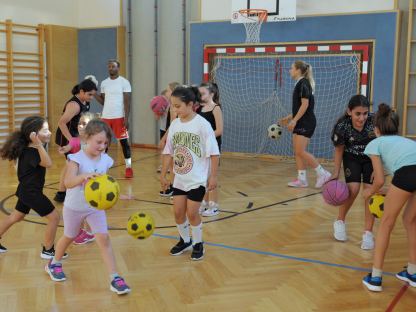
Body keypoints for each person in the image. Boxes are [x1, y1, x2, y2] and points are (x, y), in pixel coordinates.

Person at [45, 119, 130, 295]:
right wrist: (83, 177)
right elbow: (68, 182)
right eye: (99, 142)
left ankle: (115, 277)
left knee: (104, 239)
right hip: (74, 207)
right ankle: (54, 263)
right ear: (86, 138)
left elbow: (106, 185)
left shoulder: (106, 160)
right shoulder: (75, 159)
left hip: (94, 208)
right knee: (69, 236)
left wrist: (117, 195)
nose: (102, 146)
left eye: (106, 143)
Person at [160, 85, 220, 260]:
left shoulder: (203, 125)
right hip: (180, 178)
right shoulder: (175, 125)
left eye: (178, 106)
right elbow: (168, 151)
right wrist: (163, 175)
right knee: (178, 213)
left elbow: (214, 153)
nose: (174, 109)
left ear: (191, 104)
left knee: (192, 213)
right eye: (172, 105)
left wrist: (213, 176)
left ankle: (198, 243)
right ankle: (185, 240)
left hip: (198, 179)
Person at [362, 103, 416, 292]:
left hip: (407, 174)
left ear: (376, 129)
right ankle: (413, 272)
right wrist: (386, 189)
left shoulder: (375, 143)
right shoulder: (406, 141)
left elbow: (378, 179)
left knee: (386, 223)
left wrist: (369, 192)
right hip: (409, 173)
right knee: (410, 221)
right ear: (396, 128)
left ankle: (375, 278)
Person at [0, 116, 66, 259]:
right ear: (33, 135)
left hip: (26, 191)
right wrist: (38, 144)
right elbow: (48, 164)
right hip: (31, 193)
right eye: (45, 130)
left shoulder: (31, 149)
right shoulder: (32, 152)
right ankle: (48, 250)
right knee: (54, 217)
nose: (49, 133)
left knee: (16, 217)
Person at [331, 95, 376, 249]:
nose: (362, 117)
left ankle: (368, 234)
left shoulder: (375, 123)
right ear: (349, 112)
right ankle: (340, 221)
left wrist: (379, 169)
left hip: (372, 158)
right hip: (351, 158)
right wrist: (336, 172)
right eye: (358, 113)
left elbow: (383, 145)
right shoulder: (342, 126)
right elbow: (339, 150)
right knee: (354, 189)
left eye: (365, 113)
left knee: (370, 192)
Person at [279, 60, 331, 188]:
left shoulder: (303, 83)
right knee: (297, 152)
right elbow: (301, 107)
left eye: (291, 68)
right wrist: (289, 117)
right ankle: (302, 179)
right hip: (302, 121)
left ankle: (323, 173)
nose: (289, 70)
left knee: (301, 151)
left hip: (306, 122)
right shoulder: (300, 84)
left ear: (298, 70)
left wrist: (294, 120)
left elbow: (305, 105)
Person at [54, 78, 96, 202]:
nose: (92, 97)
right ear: (82, 92)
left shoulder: (85, 101)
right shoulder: (74, 105)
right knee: (71, 165)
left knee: (69, 165)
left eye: (93, 95)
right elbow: (61, 123)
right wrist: (71, 140)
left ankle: (61, 193)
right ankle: (63, 193)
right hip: (66, 137)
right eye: (90, 94)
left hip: (75, 137)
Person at [59, 112, 97, 245]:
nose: (80, 126)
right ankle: (80, 231)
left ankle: (89, 232)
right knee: (79, 206)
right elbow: (69, 147)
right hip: (77, 179)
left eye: (84, 123)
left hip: (90, 180)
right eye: (79, 123)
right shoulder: (75, 140)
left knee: (90, 206)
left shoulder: (94, 143)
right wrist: (65, 148)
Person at [95, 59, 133, 178]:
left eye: (113, 66)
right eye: (109, 66)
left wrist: (126, 118)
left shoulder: (124, 82)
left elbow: (127, 102)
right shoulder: (104, 83)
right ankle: (101, 167)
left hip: (119, 117)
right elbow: (103, 101)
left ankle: (128, 167)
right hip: (106, 117)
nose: (111, 68)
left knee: (123, 142)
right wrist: (94, 93)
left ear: (118, 67)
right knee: (103, 142)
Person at [197, 82, 223, 217]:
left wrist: (205, 137)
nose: (200, 96)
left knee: (212, 177)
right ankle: (205, 203)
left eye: (203, 93)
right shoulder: (199, 109)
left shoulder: (216, 108)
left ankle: (214, 205)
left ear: (211, 94)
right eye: (199, 93)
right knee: (203, 177)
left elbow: (219, 130)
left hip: (212, 147)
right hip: (201, 147)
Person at [158, 81, 181, 197]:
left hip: (174, 136)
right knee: (172, 165)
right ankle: (172, 187)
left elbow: (172, 124)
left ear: (172, 92)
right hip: (173, 135)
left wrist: (164, 138)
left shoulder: (174, 106)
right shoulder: (171, 104)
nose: (166, 91)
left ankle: (175, 188)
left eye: (168, 90)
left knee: (174, 165)